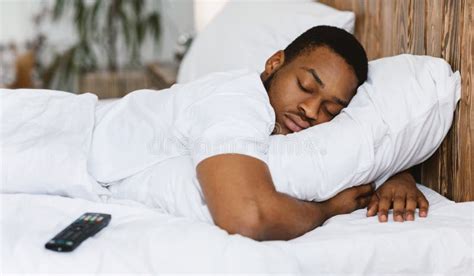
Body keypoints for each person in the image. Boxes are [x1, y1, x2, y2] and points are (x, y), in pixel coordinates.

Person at [90, 26, 429, 241]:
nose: (311, 111)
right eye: (305, 86)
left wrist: (398, 175)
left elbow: (369, 137)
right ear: (274, 63)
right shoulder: (239, 99)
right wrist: (326, 210)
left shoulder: (287, 122)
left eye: (331, 109)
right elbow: (246, 216)